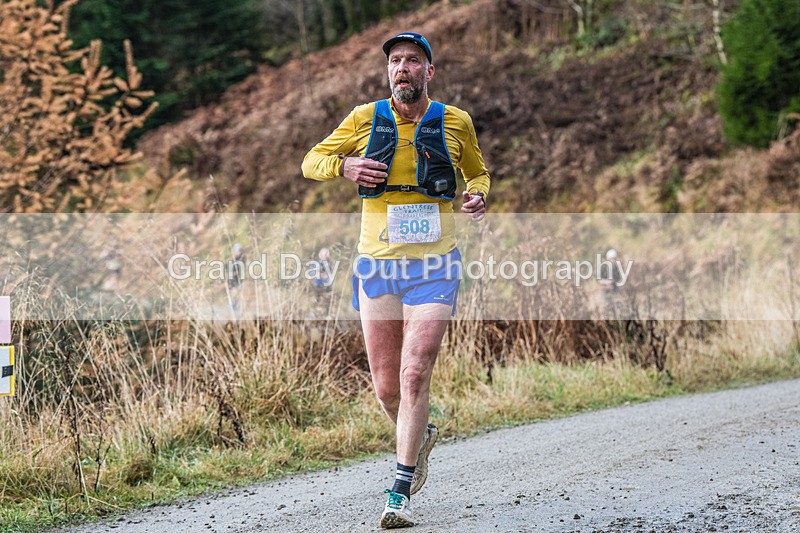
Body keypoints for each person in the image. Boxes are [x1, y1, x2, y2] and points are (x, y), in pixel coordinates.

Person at [302, 32, 490, 529]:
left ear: (430, 71)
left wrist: (477, 196)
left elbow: (478, 173)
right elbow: (310, 162)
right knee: (387, 389)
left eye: (412, 60)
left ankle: (399, 491)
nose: (402, 67)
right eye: (395, 61)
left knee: (414, 374)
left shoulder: (455, 121)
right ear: (388, 71)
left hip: (434, 264)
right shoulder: (364, 118)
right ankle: (420, 435)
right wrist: (343, 165)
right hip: (378, 264)